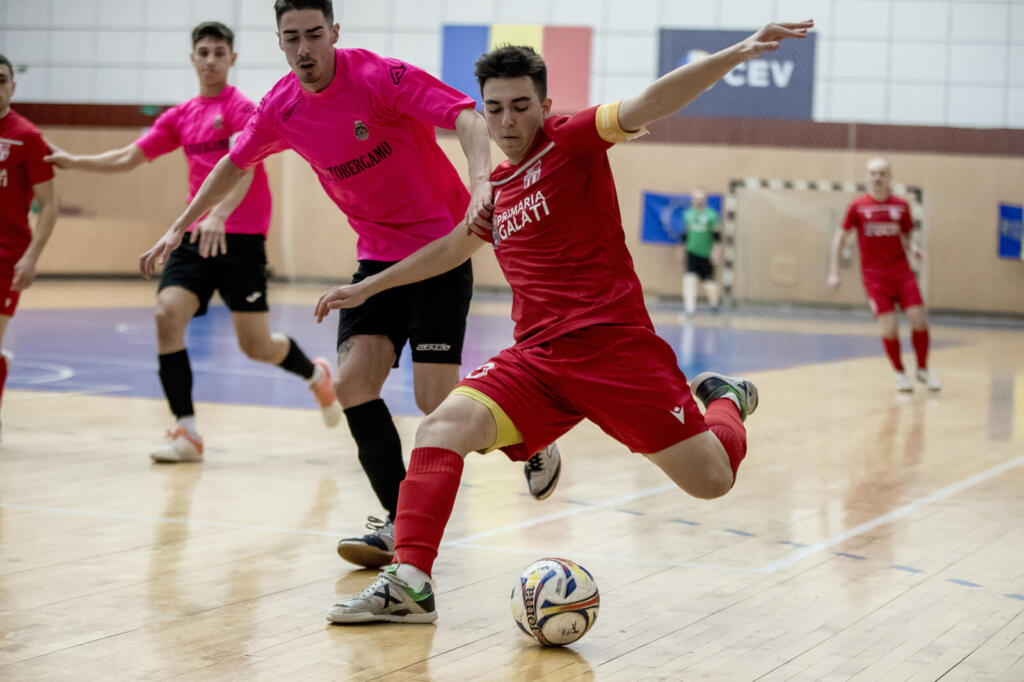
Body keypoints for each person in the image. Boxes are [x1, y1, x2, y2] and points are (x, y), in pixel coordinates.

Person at [316, 19, 814, 625]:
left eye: (520, 106)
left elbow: (653, 99)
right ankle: (411, 584)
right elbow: (449, 249)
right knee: (441, 426)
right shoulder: (497, 190)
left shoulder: (572, 141)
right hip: (538, 361)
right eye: (494, 109)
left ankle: (726, 398)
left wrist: (736, 52)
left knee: (712, 479)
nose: (507, 122)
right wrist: (368, 285)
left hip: (614, 352)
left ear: (545, 105)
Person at [137, 0, 561, 568]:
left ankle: (530, 436)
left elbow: (467, 115)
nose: (304, 48)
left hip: (438, 251)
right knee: (353, 383)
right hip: (375, 263)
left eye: (314, 34)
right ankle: (400, 520)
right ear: (279, 42)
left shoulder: (379, 77)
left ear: (334, 32)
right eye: (292, 38)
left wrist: (481, 182)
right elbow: (235, 163)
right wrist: (178, 227)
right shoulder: (280, 108)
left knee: (436, 404)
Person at [44, 22, 342, 463]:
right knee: (166, 315)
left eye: (219, 52)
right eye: (203, 52)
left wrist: (220, 213)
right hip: (193, 236)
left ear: (232, 59)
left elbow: (245, 165)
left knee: (256, 346)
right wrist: (74, 160)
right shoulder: (180, 116)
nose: (211, 60)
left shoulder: (242, 109)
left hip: (240, 238)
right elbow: (128, 156)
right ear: (192, 58)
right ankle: (187, 431)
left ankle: (314, 374)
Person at [828, 158, 940, 393]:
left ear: (890, 177)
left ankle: (923, 369)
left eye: (882, 173)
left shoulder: (901, 205)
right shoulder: (858, 207)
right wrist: (834, 272)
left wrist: (913, 247)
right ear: (866, 176)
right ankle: (899, 373)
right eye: (873, 173)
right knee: (889, 328)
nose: (877, 177)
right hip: (875, 278)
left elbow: (907, 236)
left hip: (902, 273)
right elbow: (839, 238)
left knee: (918, 318)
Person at [0, 54, 60, 444]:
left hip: (6, 255)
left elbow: (50, 204)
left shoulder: (27, 136)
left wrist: (31, 256)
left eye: (1, 79)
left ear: (13, 86)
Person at [679, 187, 721, 318]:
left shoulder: (712, 215)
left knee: (709, 283)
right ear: (692, 200)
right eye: (696, 198)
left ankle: (714, 306)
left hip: (706, 253)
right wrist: (682, 251)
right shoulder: (687, 214)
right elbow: (685, 235)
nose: (699, 201)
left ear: (705, 200)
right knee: (689, 280)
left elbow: (717, 236)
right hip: (692, 251)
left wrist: (715, 252)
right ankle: (690, 309)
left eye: (701, 198)